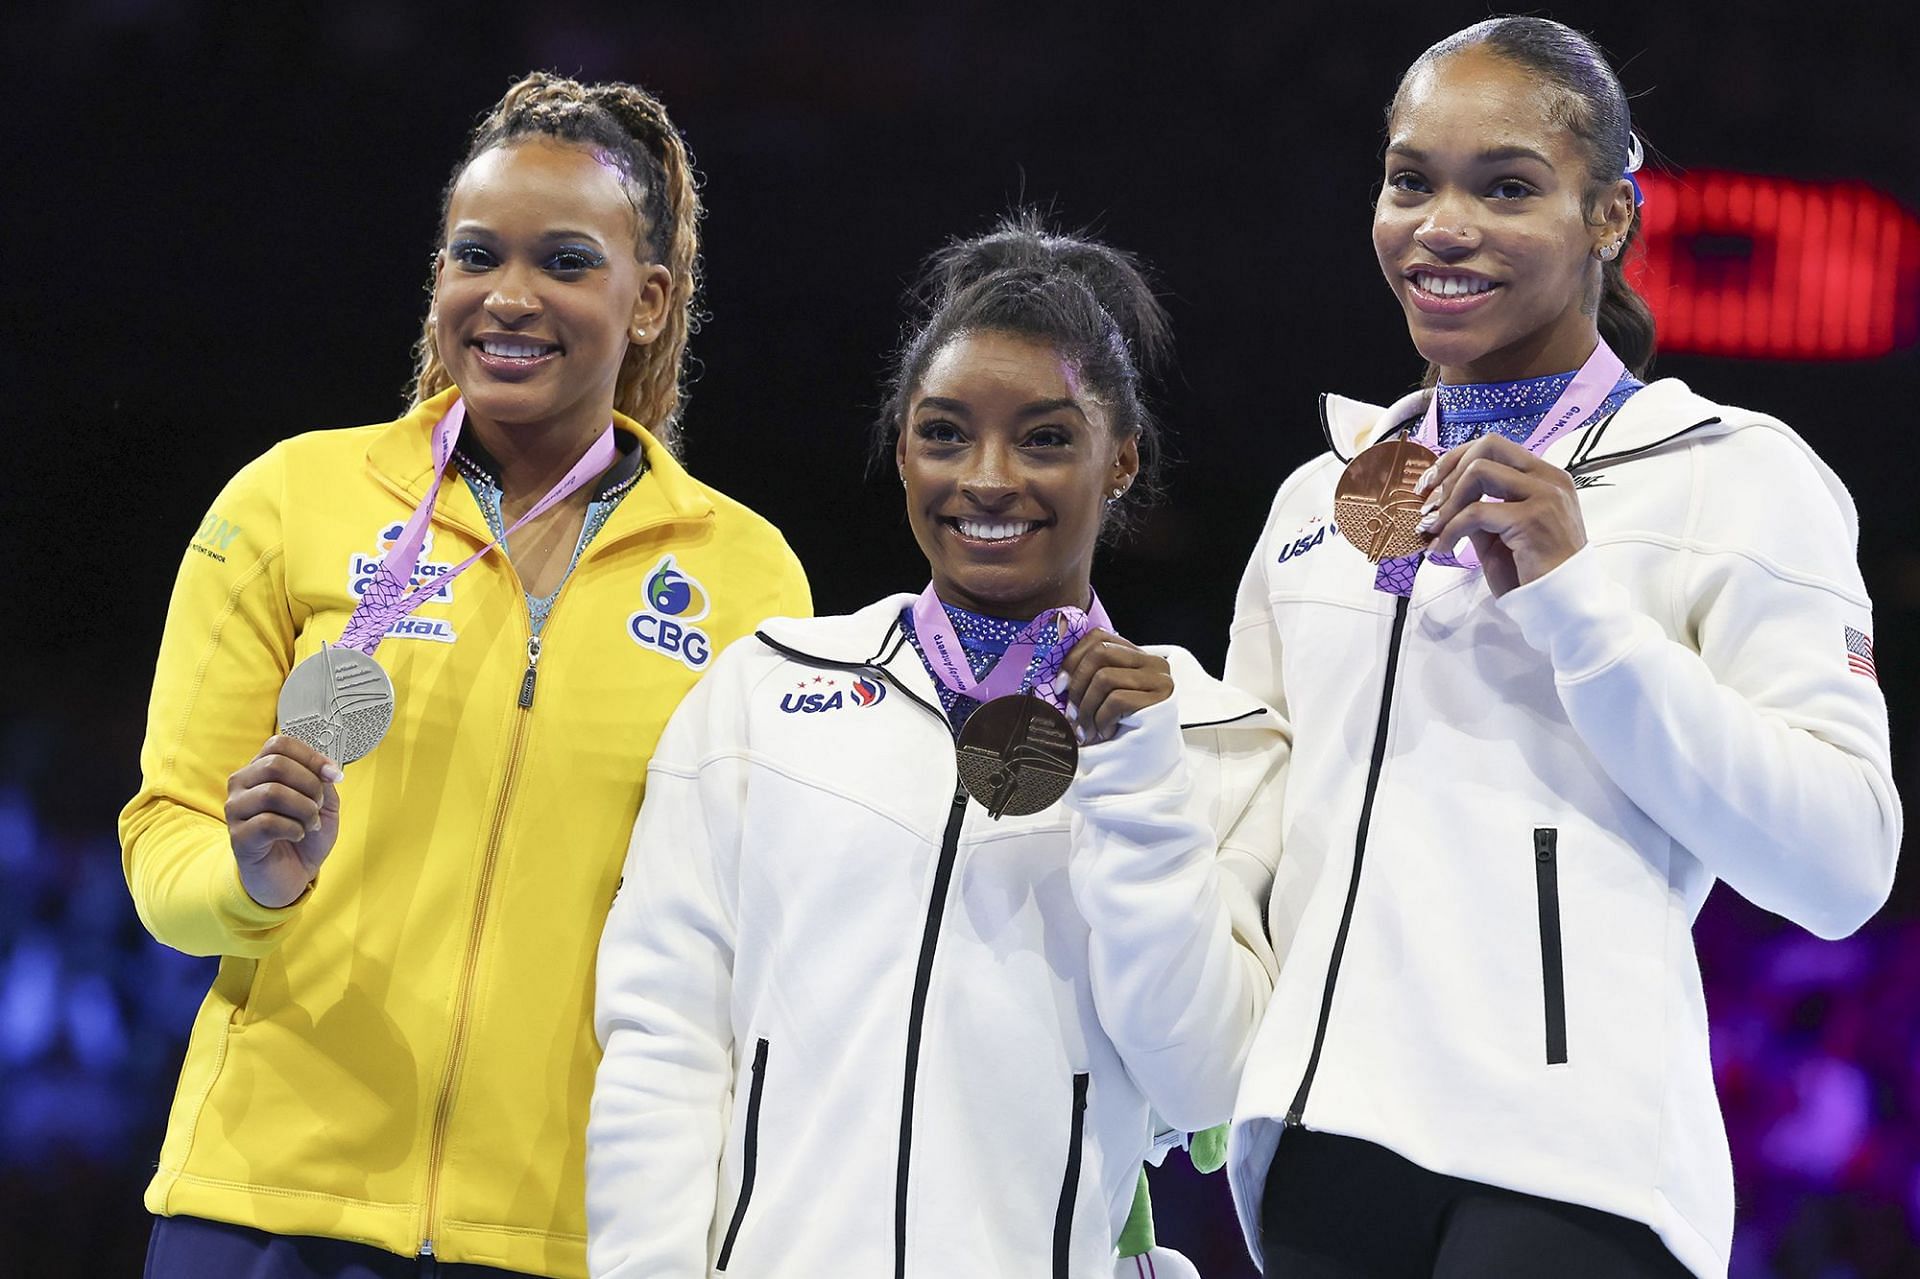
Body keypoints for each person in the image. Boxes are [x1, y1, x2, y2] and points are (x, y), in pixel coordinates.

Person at [1222, 17, 1901, 1279]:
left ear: (1609, 217)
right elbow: (1250, 833)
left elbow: (1844, 860)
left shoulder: (1737, 478)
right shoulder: (1317, 501)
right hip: (1317, 1156)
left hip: (1568, 1168)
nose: (1443, 224)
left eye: (1508, 186)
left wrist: (1578, 603)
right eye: (1410, 179)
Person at [120, 72, 810, 1279]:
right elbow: (162, 845)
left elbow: (759, 933)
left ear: (647, 302)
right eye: (476, 255)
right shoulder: (290, 501)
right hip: (266, 1208)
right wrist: (251, 879)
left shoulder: (746, 578)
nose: (509, 296)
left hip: (569, 1232)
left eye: (564, 263)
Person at [586, 214, 1285, 1277]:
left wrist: (1138, 782)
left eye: (1046, 437)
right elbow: (664, 1040)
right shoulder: (763, 691)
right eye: (946, 433)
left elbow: (1204, 1081)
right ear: (902, 446)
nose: (989, 478)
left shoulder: (1209, 736)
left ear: (1121, 461)